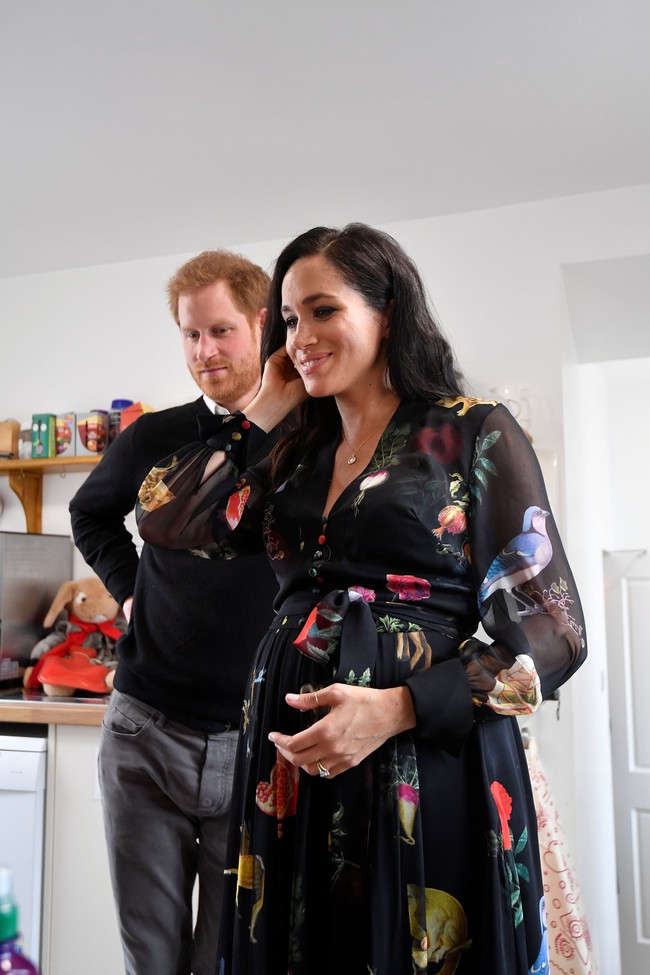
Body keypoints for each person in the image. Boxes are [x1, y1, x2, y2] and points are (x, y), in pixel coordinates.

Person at [137, 223, 587, 975]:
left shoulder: (472, 431)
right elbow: (167, 520)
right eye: (286, 320)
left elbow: (554, 632)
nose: (301, 336)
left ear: (387, 311)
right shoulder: (290, 451)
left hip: (425, 758)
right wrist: (266, 407)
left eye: (322, 311)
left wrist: (401, 707)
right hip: (288, 773)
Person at [69, 250, 280, 975]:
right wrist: (128, 588)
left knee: (230, 959)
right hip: (143, 730)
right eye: (190, 335)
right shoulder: (152, 438)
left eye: (220, 330)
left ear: (261, 322)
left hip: (257, 741)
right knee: (151, 961)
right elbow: (90, 513)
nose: (204, 352)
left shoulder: (309, 438)